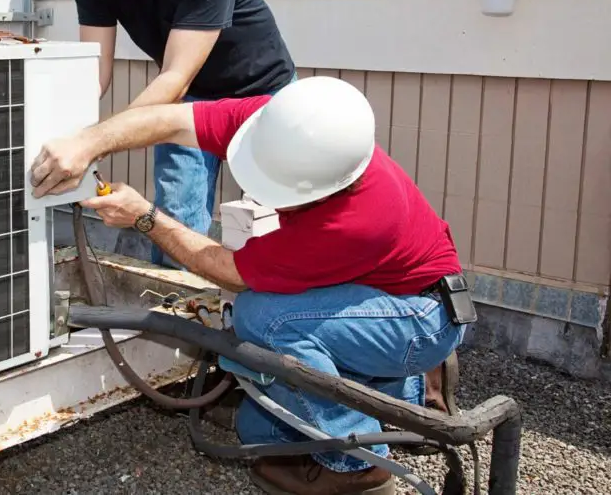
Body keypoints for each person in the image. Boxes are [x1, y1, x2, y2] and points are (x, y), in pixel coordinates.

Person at [29, 76, 470, 495]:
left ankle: (358, 466)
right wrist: (88, 141)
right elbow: (170, 119)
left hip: (419, 316)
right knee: (257, 428)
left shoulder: (356, 221)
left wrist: (145, 217)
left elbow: (229, 271)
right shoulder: (281, 125)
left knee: (264, 319)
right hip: (388, 295)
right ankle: (415, 394)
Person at [75, 0, 296, 268]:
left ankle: (275, 313)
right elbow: (94, 74)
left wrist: (95, 142)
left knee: (282, 215)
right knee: (174, 217)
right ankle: (181, 317)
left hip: (263, 96)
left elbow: (174, 75)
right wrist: (69, 132)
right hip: (191, 100)